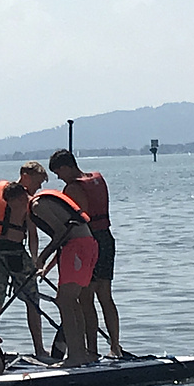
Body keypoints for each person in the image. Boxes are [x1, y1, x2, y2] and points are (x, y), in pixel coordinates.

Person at [0, 161, 48, 359]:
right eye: (38, 182)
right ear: (26, 177)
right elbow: (33, 234)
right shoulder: (29, 200)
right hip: (15, 254)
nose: (39, 187)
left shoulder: (0, 189)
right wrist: (36, 259)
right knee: (32, 299)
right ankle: (39, 349)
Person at [49, 149, 122, 358]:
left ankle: (92, 349)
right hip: (107, 238)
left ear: (65, 167)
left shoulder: (73, 188)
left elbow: (78, 220)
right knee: (106, 296)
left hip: (90, 242)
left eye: (58, 173)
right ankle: (115, 345)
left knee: (86, 297)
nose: (59, 178)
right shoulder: (97, 178)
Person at [28, 187, 98, 367]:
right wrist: (47, 268)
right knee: (71, 300)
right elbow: (66, 237)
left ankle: (74, 356)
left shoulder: (37, 205)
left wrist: (41, 257)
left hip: (78, 248)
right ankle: (80, 353)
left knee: (65, 300)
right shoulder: (45, 203)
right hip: (88, 245)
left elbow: (60, 233)